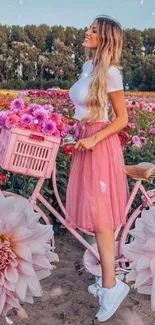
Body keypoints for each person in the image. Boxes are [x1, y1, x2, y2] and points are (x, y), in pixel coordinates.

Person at [66, 15, 129, 322]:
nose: (87, 32)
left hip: (100, 147)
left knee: (102, 220)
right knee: (94, 212)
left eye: (93, 30)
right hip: (84, 142)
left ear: (104, 39)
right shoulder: (88, 67)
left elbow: (122, 120)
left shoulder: (112, 73)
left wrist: (94, 140)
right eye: (88, 27)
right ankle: (107, 279)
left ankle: (112, 286)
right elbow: (85, 108)